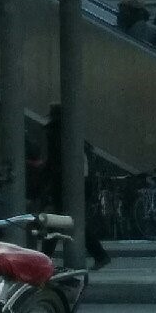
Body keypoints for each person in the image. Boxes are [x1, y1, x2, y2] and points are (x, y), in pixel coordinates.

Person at [42, 105, 110, 270]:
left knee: (56, 222)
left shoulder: (54, 134)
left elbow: (52, 163)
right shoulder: (74, 134)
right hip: (79, 184)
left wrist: (45, 183)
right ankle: (99, 254)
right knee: (70, 221)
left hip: (62, 184)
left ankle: (43, 260)